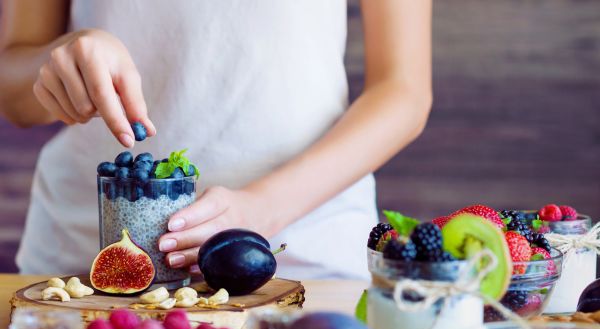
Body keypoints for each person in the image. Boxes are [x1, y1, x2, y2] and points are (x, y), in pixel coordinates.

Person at [0, 0, 432, 279]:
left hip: (303, 255)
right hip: (85, 259)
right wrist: (61, 64)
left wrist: (265, 207)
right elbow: (14, 95)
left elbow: (403, 91)